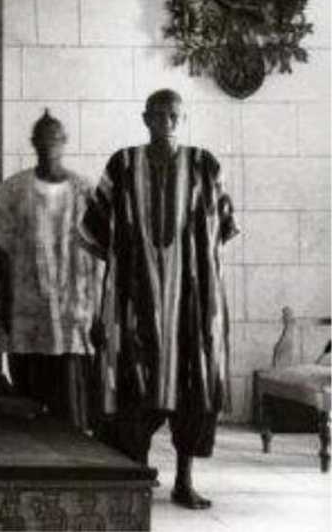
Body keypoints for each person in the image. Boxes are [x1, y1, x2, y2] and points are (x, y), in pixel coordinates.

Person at [79, 88, 238, 510]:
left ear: (181, 119)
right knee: (133, 388)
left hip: (192, 305)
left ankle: (184, 481)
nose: (166, 121)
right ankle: (137, 480)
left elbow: (221, 228)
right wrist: (132, 271)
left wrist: (186, 269)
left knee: (193, 388)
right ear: (145, 118)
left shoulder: (205, 165)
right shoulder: (123, 164)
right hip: (134, 301)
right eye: (158, 114)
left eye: (174, 115)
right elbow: (94, 230)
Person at [0, 110, 103, 430]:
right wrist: (4, 298)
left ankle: (74, 442)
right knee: (31, 378)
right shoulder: (14, 190)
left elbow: (104, 246)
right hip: (28, 305)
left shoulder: (85, 192)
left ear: (65, 143)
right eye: (43, 140)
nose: (49, 147)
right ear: (34, 143)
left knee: (73, 383)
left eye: (56, 140)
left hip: (75, 305)